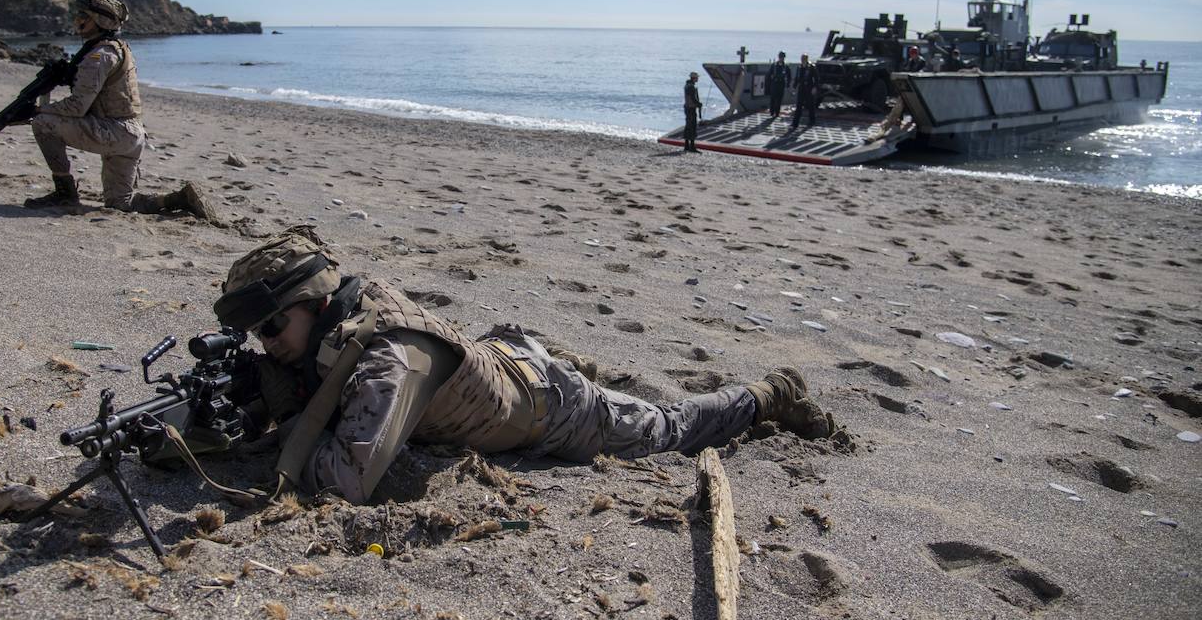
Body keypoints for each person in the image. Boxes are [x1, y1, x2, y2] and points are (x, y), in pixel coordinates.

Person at [204, 229, 834, 504]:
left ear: (315, 305)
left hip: (552, 412)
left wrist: (285, 418)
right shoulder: (335, 326)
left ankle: (766, 393)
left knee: (664, 430)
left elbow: (346, 480)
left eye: (270, 328)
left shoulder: (389, 356)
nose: (265, 345)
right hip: (495, 369)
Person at [23, 0, 220, 222]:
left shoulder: (100, 55)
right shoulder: (116, 48)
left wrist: (37, 110)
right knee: (120, 203)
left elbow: (77, 106)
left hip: (114, 131)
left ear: (98, 21)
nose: (77, 20)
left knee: (43, 124)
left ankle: (65, 193)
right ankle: (179, 199)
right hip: (131, 134)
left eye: (82, 15)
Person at [790, 53, 820, 131]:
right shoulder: (799, 68)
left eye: (804, 59)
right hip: (801, 89)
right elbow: (797, 78)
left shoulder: (811, 67)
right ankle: (795, 123)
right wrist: (794, 87)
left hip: (809, 88)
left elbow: (816, 78)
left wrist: (815, 87)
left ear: (807, 59)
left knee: (810, 105)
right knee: (799, 106)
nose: (803, 60)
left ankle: (812, 120)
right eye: (802, 59)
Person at [682, 71, 703, 152]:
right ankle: (692, 147)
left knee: (688, 126)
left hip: (687, 108)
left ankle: (687, 145)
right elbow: (693, 99)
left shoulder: (687, 86)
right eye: (697, 77)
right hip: (691, 109)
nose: (697, 79)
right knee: (692, 126)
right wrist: (699, 104)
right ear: (694, 78)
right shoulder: (691, 87)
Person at [765, 51, 788, 118]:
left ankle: (777, 113)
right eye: (780, 57)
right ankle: (772, 112)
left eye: (782, 57)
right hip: (774, 84)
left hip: (781, 84)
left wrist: (788, 84)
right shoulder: (774, 65)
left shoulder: (785, 66)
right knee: (773, 99)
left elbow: (788, 75)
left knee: (779, 100)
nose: (781, 58)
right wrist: (768, 84)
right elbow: (769, 75)